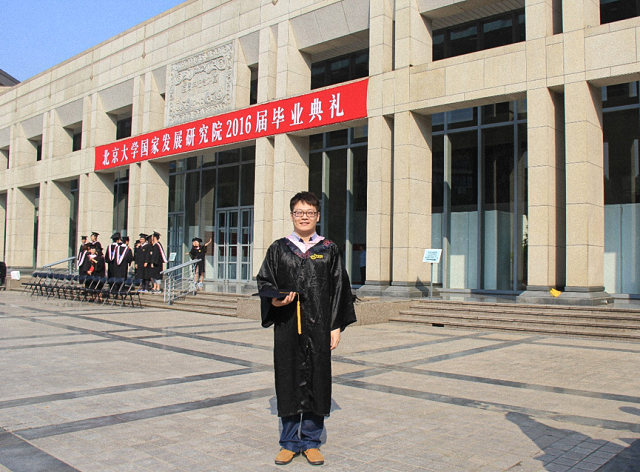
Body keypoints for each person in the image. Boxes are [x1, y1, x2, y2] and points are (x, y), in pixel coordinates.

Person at [257, 191, 357, 466]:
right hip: (287, 325)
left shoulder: (329, 249)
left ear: (317, 216)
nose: (304, 217)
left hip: (319, 326)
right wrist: (275, 301)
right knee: (288, 378)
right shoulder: (279, 248)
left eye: (309, 212)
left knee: (318, 379)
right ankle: (289, 442)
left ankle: (311, 441)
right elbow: (265, 281)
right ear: (292, 215)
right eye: (299, 212)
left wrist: (336, 326)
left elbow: (340, 288)